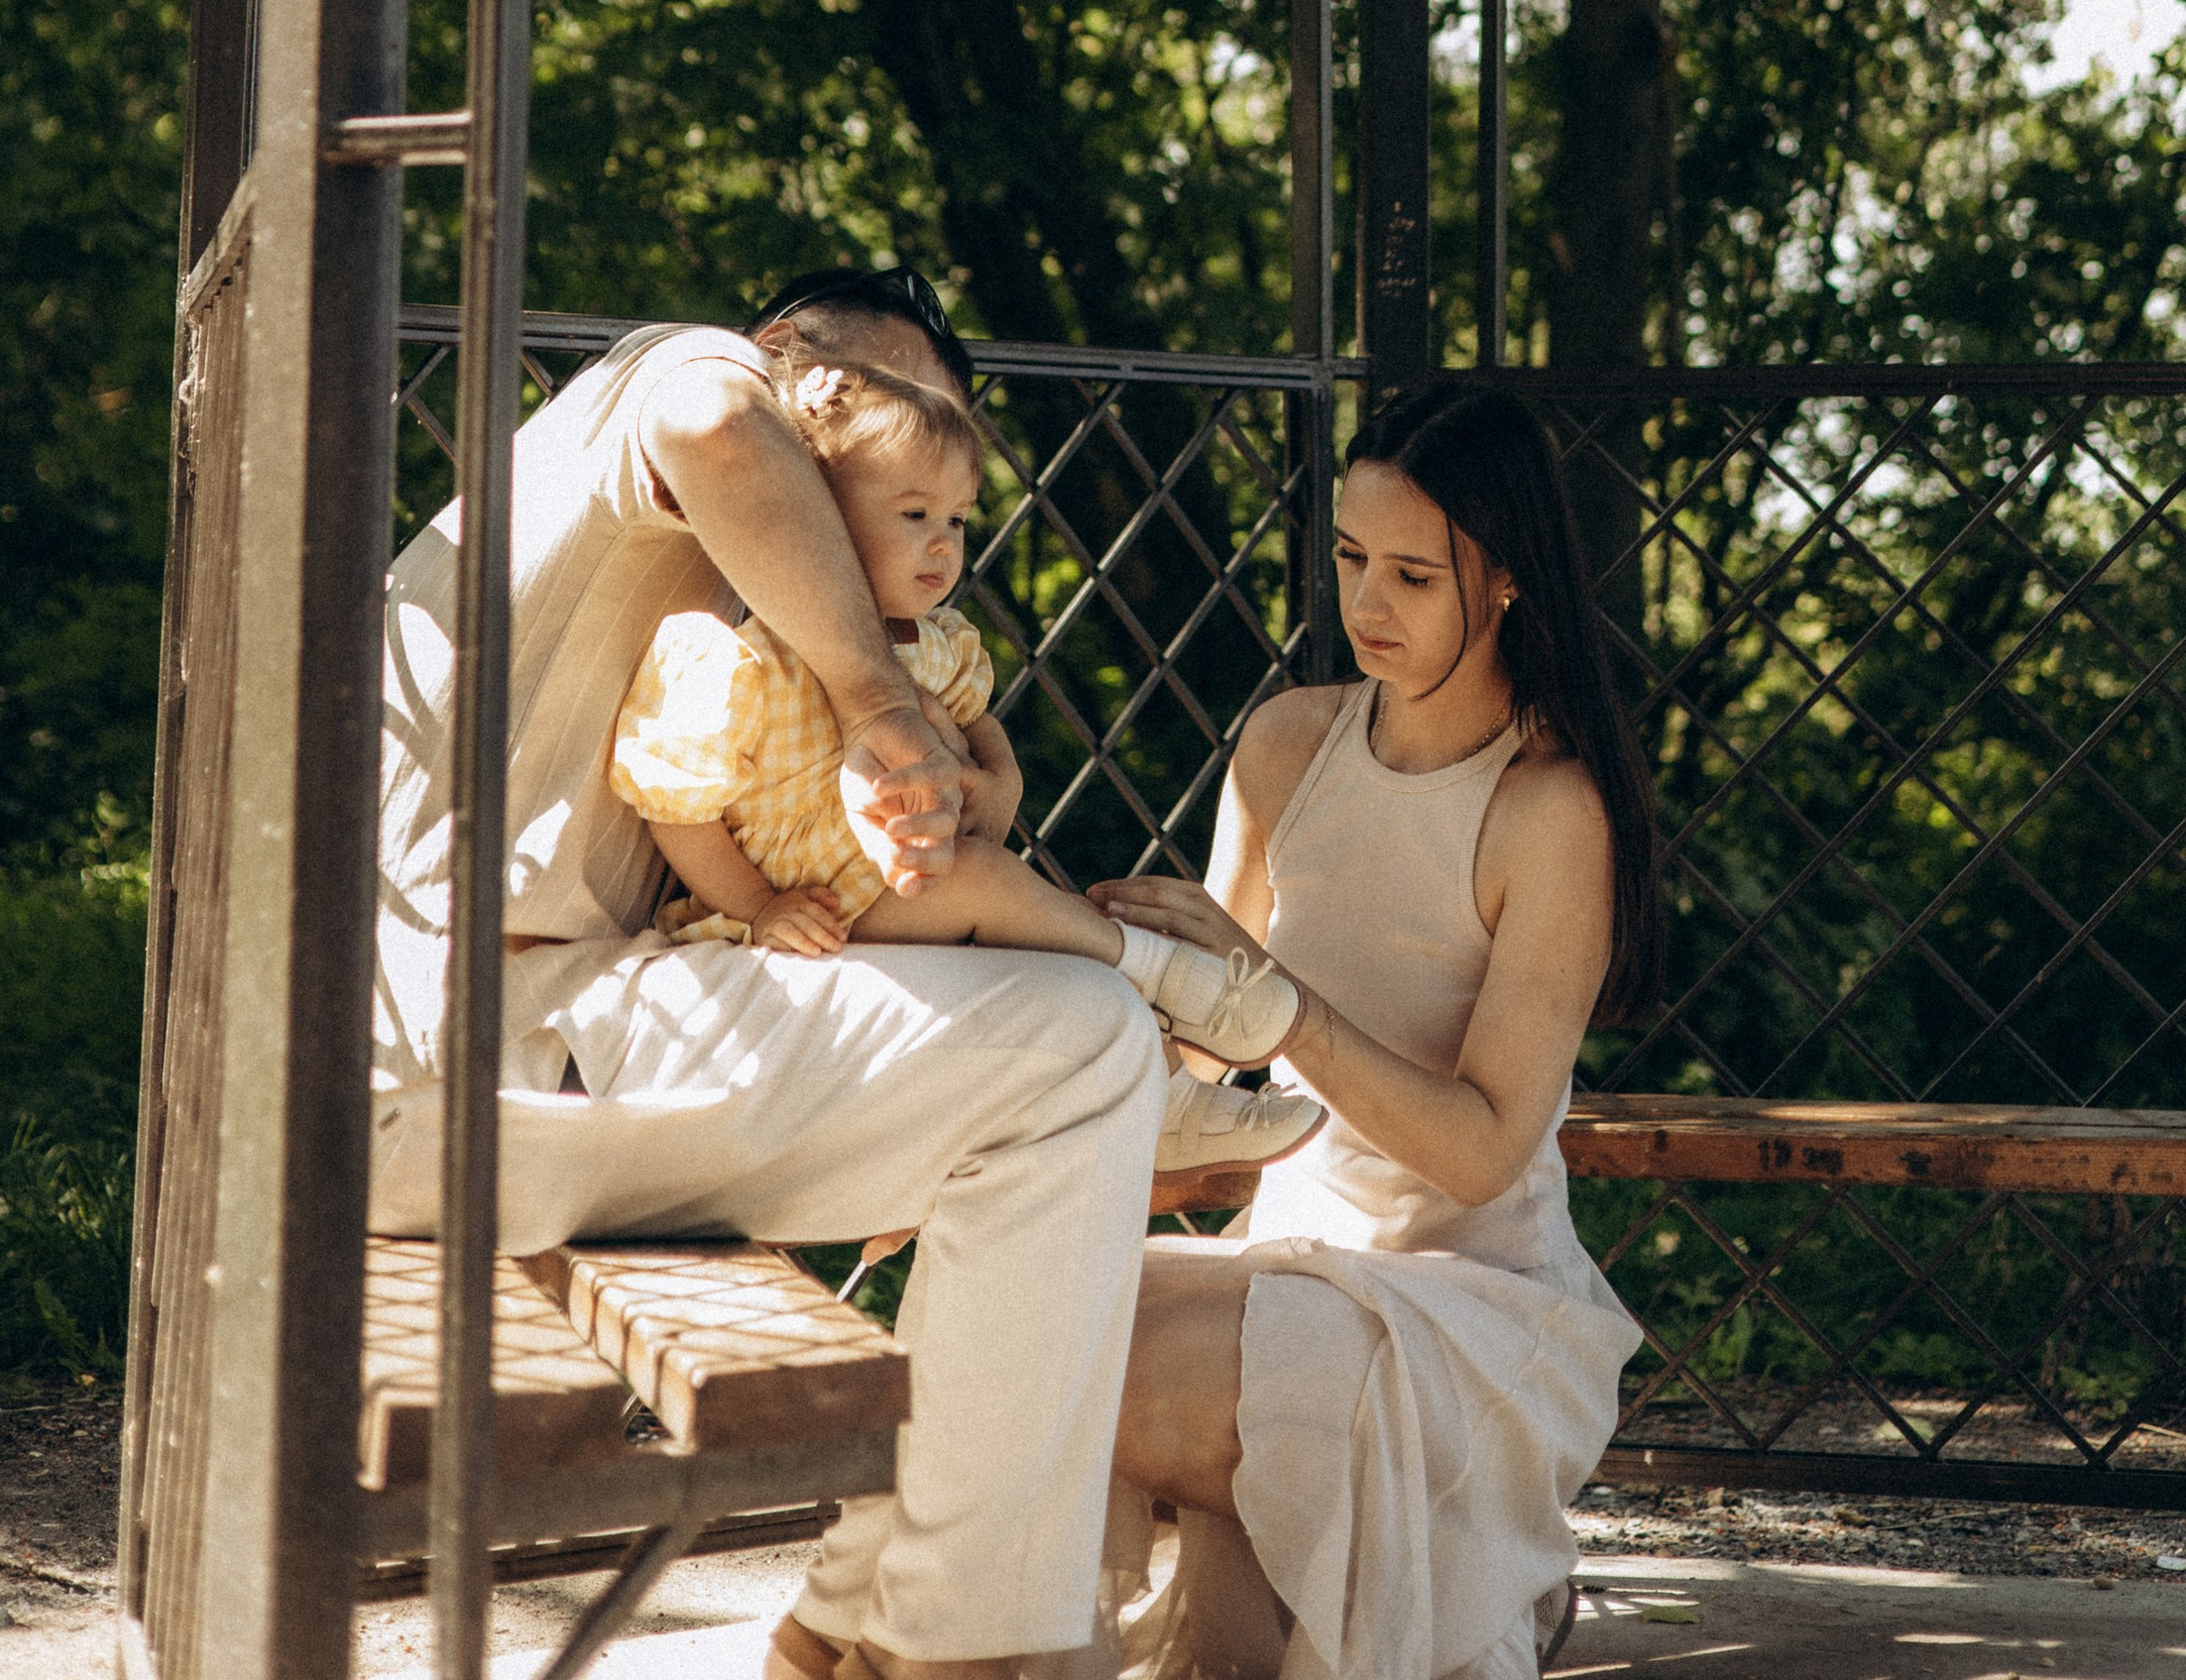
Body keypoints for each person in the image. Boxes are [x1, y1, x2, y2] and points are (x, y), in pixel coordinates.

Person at [373, 260, 1169, 1680]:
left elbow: (802, 870)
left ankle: (871, 1620)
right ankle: (951, 1641)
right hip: (457, 1047)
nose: (880, 444)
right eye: (881, 395)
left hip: (503, 1057)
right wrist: (876, 700)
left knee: (1059, 1066)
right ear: (788, 350)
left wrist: (958, 788)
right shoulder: (679, 374)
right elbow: (715, 426)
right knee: (1087, 1048)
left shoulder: (750, 606)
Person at [1090, 381, 1661, 1680]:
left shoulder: (1549, 807)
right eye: (1351, 559)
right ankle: (1437, 1589)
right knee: (1026, 1312)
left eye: (1413, 573)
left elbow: (1481, 1155)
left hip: (1473, 1307)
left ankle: (1476, 1564)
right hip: (1284, 1266)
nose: (1367, 604)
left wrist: (1276, 1000)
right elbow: (1192, 1056)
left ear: (1507, 579)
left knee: (1174, 1375)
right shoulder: (1290, 741)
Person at [608, 346, 1321, 1172]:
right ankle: (1172, 978)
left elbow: (976, 718)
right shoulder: (739, 659)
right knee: (985, 884)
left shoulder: (933, 644)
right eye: (913, 516)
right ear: (821, 520)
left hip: (889, 885)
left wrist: (1000, 773)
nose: (943, 546)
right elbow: (675, 809)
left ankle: (1173, 1100)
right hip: (797, 910)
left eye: (957, 519)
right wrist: (761, 905)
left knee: (1030, 943)